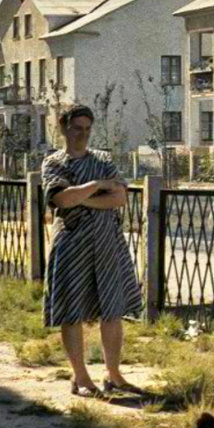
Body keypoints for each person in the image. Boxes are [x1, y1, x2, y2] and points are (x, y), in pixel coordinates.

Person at [41, 105, 143, 399]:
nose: (82, 135)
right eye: (77, 129)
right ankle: (81, 377)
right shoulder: (55, 163)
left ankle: (114, 375)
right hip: (72, 242)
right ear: (63, 128)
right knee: (72, 310)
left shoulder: (103, 159)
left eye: (87, 129)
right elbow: (60, 197)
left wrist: (82, 199)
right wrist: (96, 186)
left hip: (106, 240)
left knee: (112, 308)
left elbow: (119, 198)